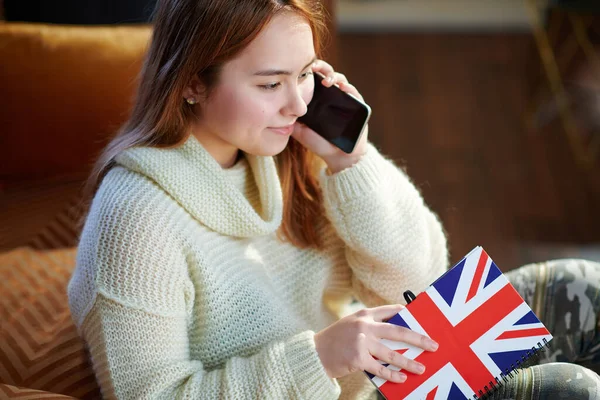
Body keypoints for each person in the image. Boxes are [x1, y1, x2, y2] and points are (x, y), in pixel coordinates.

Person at [66, 0, 600, 398]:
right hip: (347, 382)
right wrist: (319, 356)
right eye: (270, 84)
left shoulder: (287, 152)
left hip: (376, 374)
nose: (298, 104)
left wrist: (353, 162)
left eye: (305, 75)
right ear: (191, 85)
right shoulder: (134, 223)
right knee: (571, 389)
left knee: (587, 285)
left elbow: (421, 281)